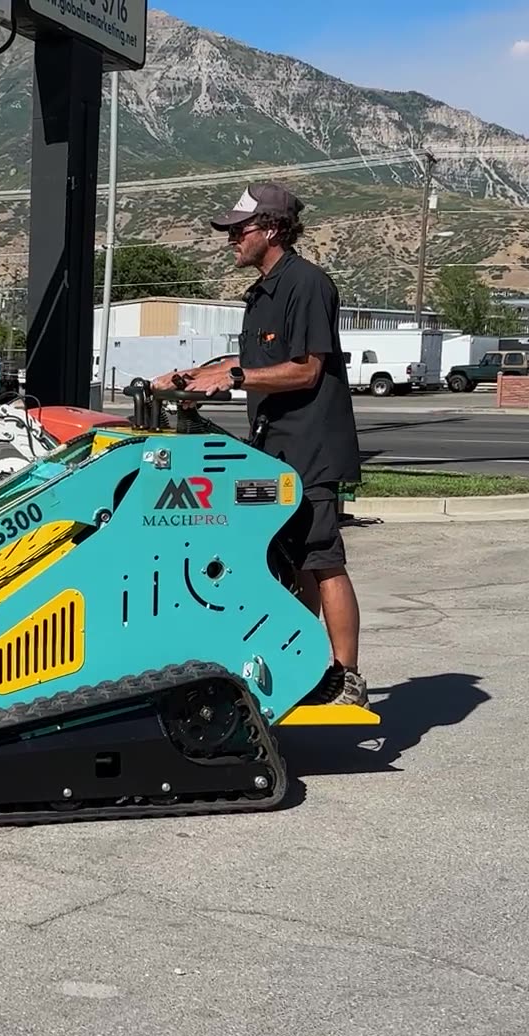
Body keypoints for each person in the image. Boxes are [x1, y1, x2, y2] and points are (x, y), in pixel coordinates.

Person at [157, 180, 366, 707]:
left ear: (271, 229)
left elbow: (306, 371)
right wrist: (189, 377)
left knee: (322, 561)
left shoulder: (308, 285)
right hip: (274, 451)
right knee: (288, 563)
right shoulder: (262, 292)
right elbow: (244, 363)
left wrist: (232, 381)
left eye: (238, 230)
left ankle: (348, 680)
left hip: (311, 449)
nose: (231, 238)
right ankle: (302, 668)